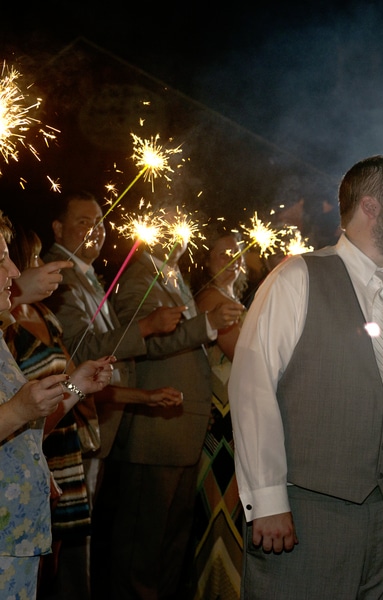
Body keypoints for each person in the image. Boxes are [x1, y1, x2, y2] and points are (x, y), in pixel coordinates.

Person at [230, 155, 383, 599]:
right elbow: (251, 389)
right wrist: (266, 500)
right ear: (371, 206)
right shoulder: (296, 278)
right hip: (308, 510)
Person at [40, 191, 186, 598]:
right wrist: (144, 328)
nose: (96, 231)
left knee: (82, 542)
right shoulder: (58, 275)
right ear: (57, 228)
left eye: (101, 221)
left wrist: (142, 395)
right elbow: (76, 353)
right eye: (84, 222)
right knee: (67, 548)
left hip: (96, 426)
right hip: (70, 424)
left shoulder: (87, 274)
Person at [107, 210, 244, 599]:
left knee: (171, 546)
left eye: (182, 226)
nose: (178, 233)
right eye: (167, 225)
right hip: (155, 431)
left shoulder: (174, 277)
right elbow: (139, 339)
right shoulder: (139, 275)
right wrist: (207, 324)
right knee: (142, 549)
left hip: (181, 430)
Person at [0, 209, 114, 600]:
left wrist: (75, 387)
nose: (14, 272)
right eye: (2, 261)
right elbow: (17, 412)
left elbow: (29, 419)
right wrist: (17, 410)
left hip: (18, 530)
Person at [190, 229, 246, 599]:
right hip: (221, 423)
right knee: (219, 513)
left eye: (238, 254)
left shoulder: (231, 299)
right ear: (207, 259)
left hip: (233, 419)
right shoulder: (211, 298)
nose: (232, 260)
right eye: (223, 252)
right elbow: (243, 352)